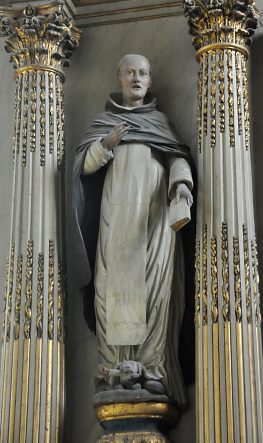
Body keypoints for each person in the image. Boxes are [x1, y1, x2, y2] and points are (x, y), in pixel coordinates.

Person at [72, 54, 193, 409]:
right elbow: (82, 169)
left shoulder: (159, 123)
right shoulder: (104, 124)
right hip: (115, 219)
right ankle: (112, 369)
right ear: (119, 77)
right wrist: (104, 146)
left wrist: (181, 185)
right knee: (111, 289)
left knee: (155, 289)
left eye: (142, 73)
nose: (136, 79)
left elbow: (176, 157)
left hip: (153, 220)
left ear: (151, 79)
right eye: (130, 72)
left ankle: (153, 369)